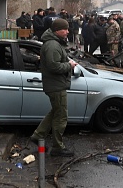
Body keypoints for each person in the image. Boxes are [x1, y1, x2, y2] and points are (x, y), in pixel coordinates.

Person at [30, 18, 78, 157]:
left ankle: (38, 135)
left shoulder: (54, 43)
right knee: (61, 115)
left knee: (56, 111)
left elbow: (56, 61)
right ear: (57, 30)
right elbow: (54, 66)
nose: (67, 32)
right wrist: (69, 65)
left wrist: (67, 61)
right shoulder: (52, 45)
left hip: (56, 84)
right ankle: (58, 147)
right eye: (65, 29)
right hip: (56, 85)